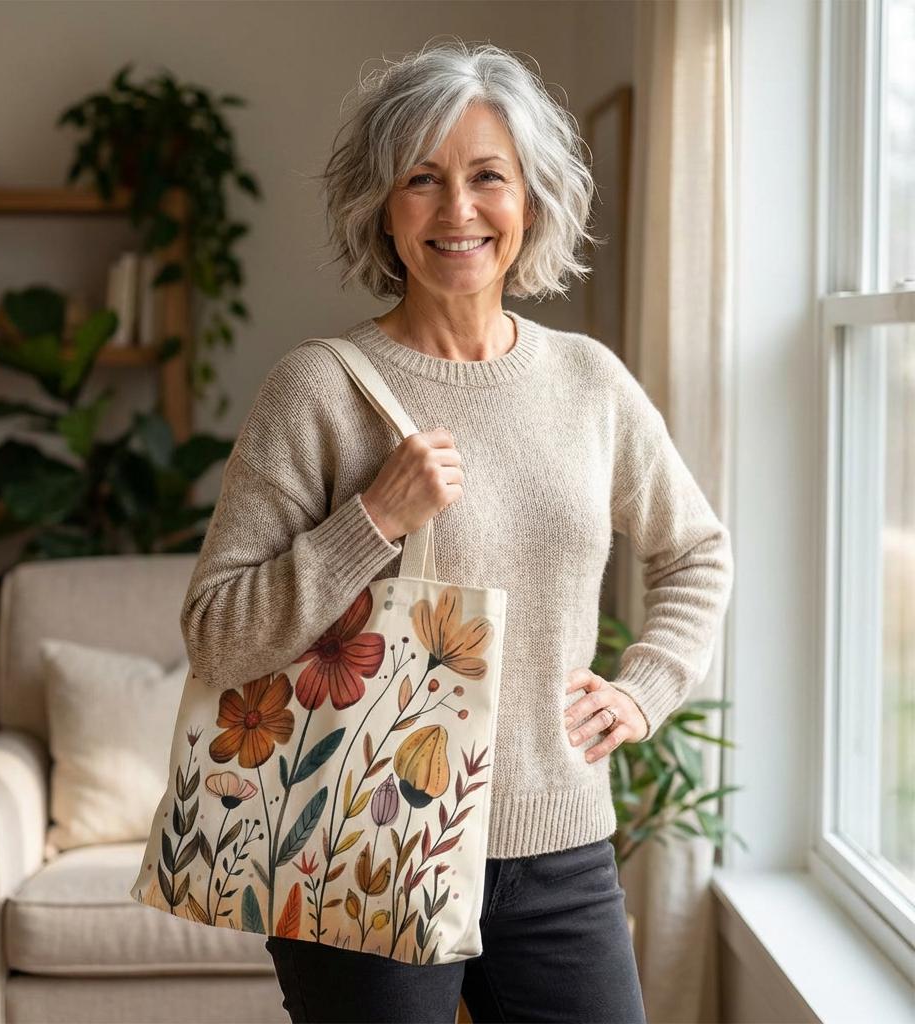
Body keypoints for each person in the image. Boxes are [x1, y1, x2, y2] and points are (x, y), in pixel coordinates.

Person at [180, 37, 734, 1024]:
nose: (457, 211)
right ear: (380, 208)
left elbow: (694, 549)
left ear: (531, 199)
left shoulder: (587, 383)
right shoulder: (318, 388)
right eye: (421, 181)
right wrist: (372, 519)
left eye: (488, 177)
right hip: (363, 838)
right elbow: (217, 630)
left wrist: (645, 689)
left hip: (561, 847)